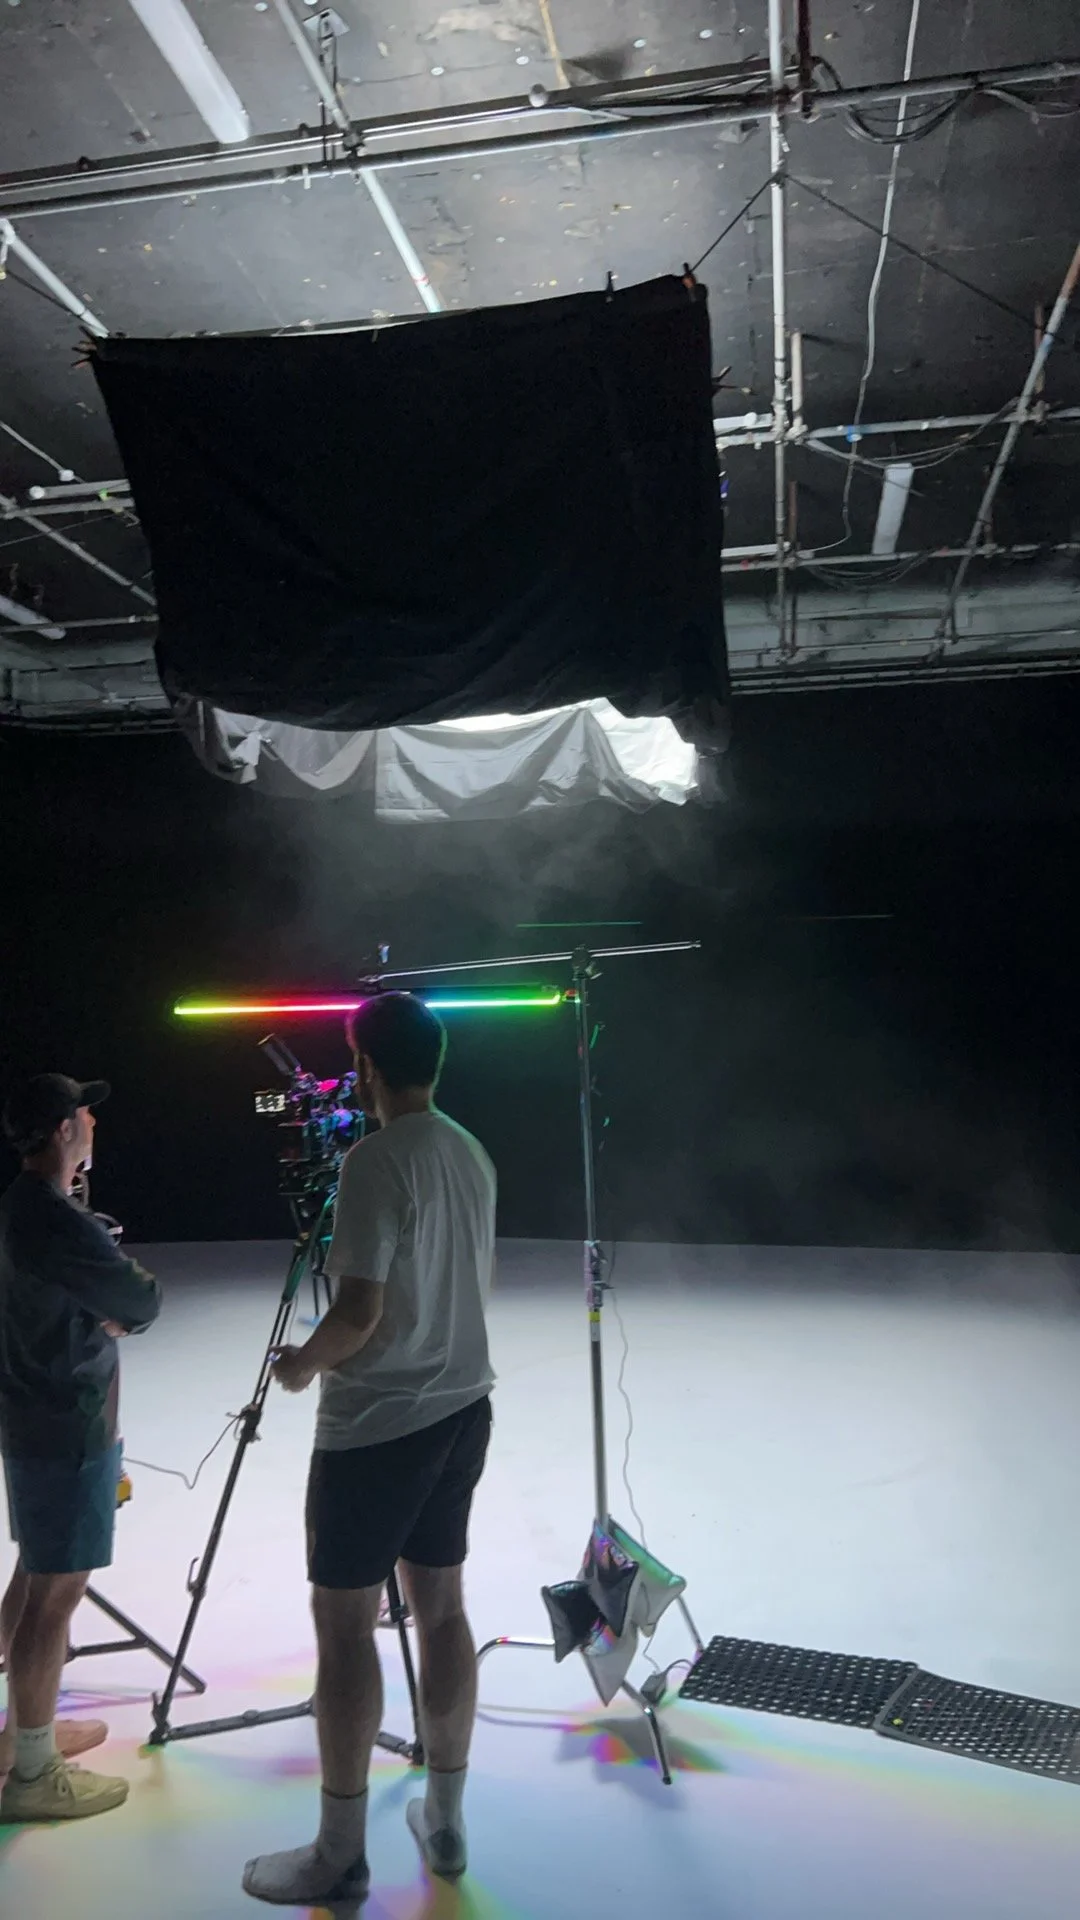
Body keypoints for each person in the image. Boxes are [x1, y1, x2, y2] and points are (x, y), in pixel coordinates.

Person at [244, 993, 496, 1908]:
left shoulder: (374, 1162)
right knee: (442, 1608)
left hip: (378, 1425)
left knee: (346, 1626)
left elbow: (357, 1312)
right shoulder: (468, 1150)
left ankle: (340, 1853)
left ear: (367, 1067)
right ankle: (447, 1819)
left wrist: (302, 1365)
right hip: (462, 1407)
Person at [0, 1074, 161, 1822]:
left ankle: (21, 1735)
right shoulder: (55, 1218)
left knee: (36, 1573)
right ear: (64, 1129)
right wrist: (118, 1307)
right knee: (55, 1596)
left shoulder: (20, 1205)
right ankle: (34, 1775)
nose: (93, 1119)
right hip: (69, 1421)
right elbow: (141, 1298)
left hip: (33, 1414)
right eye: (84, 1111)